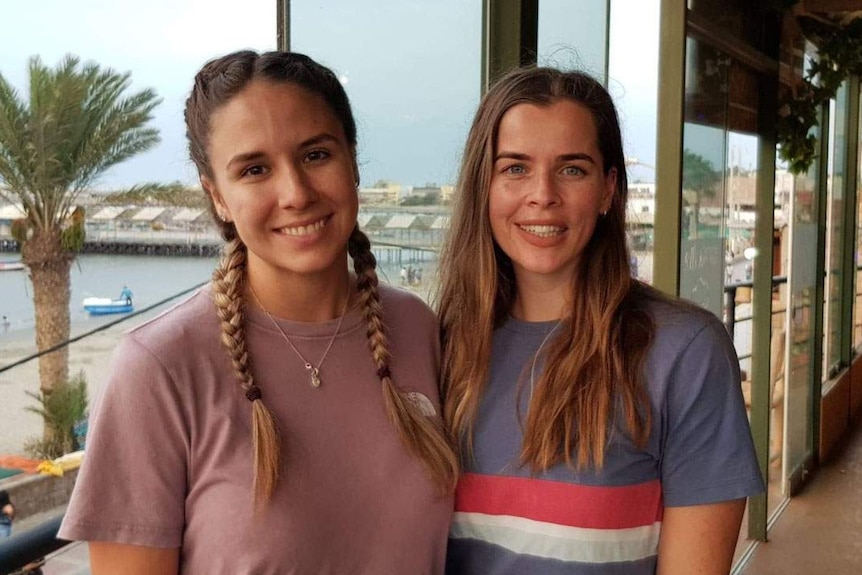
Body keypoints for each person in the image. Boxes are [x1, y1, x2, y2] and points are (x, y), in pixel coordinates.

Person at [59, 50, 457, 574]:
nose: (294, 193)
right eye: (254, 169)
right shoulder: (160, 367)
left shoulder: (416, 328)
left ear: (354, 161)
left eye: (316, 155)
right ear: (217, 197)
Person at [437, 66, 764, 574]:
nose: (542, 193)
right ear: (485, 187)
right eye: (515, 168)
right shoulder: (441, 344)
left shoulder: (685, 351)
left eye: (572, 169)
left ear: (608, 189)